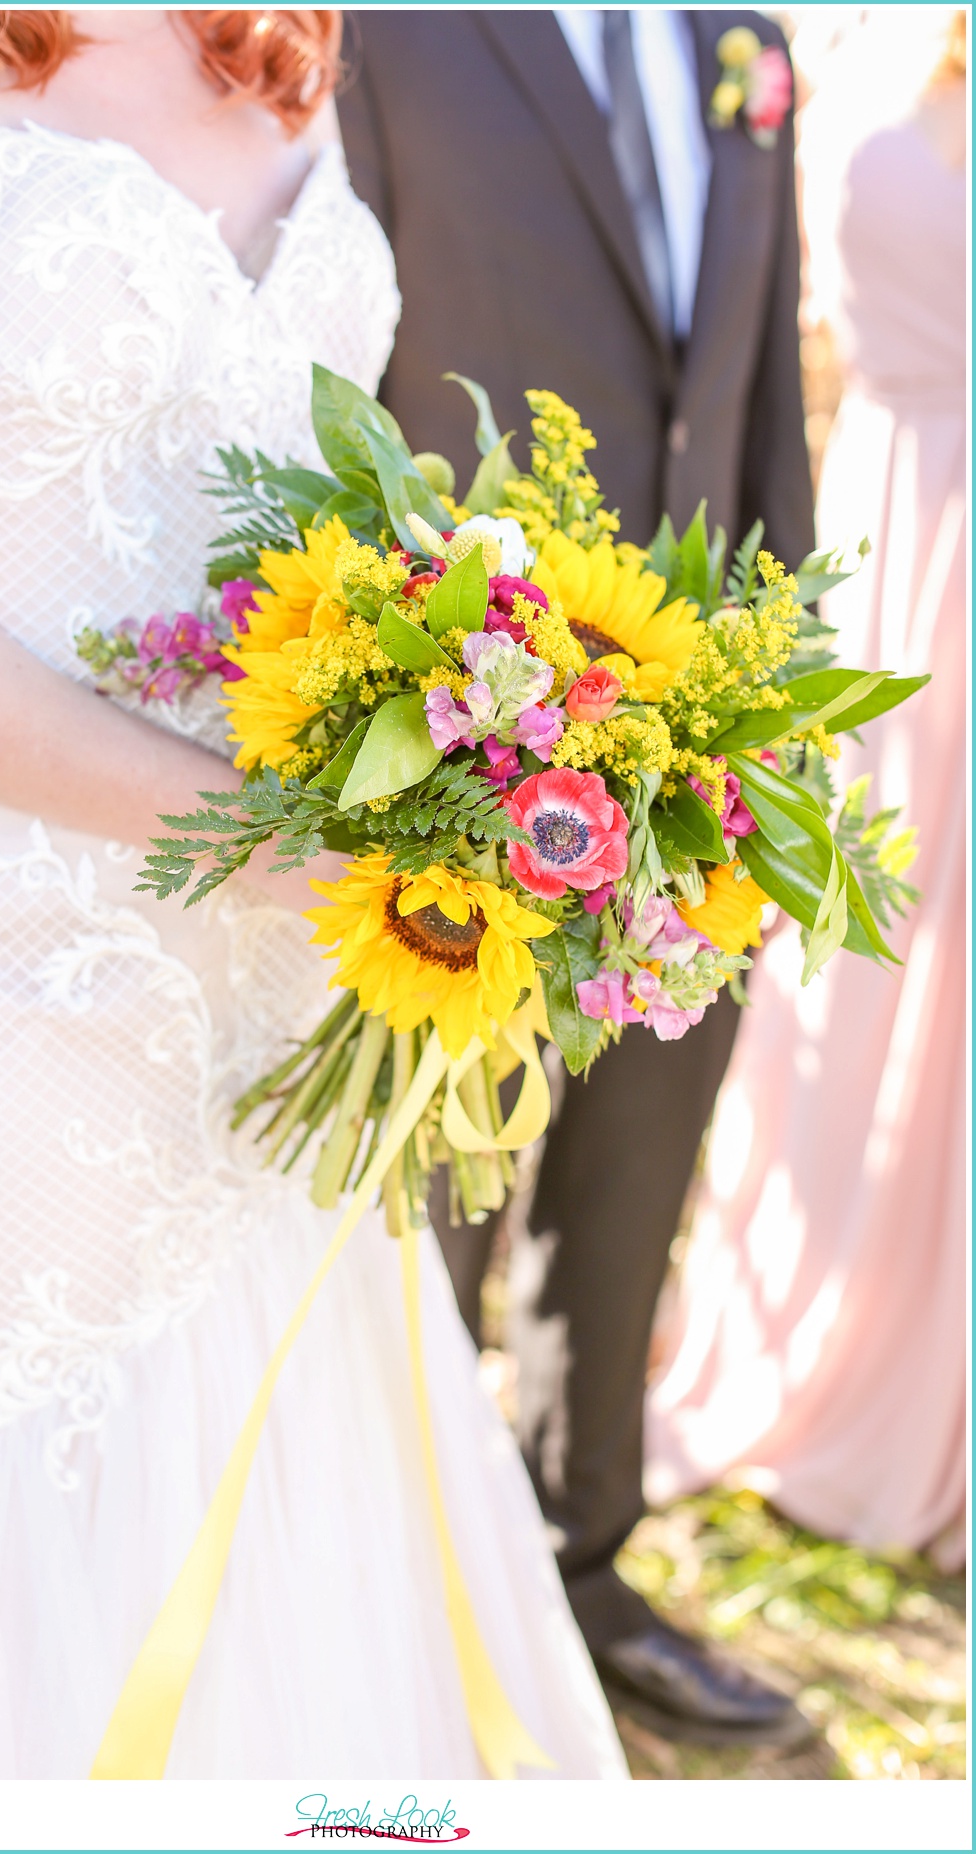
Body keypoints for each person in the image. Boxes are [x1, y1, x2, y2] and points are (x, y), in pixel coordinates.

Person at [0, 7, 628, 1779]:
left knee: (306, 1495)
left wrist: (490, 735)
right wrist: (253, 829)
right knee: (31, 1542)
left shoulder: (283, 42)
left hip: (294, 992)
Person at [339, 7, 814, 1742]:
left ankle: (579, 1563)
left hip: (697, 741)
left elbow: (756, 401)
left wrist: (775, 706)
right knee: (423, 1198)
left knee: (634, 1171)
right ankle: (381, 1596)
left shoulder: (748, 42)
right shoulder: (387, 31)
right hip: (461, 726)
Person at [646, 10, 967, 1571]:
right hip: (906, 559)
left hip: (907, 523)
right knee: (881, 925)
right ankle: (863, 1329)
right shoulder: (833, 58)